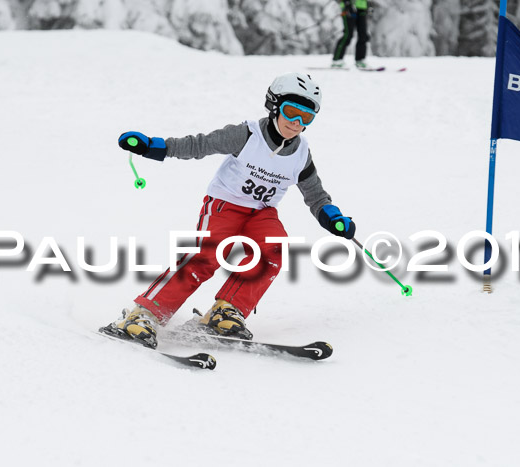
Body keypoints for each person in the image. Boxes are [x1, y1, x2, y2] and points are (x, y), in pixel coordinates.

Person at [102, 72, 356, 348]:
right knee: (205, 256)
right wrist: (155, 147)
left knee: (274, 249)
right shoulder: (247, 134)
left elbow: (315, 194)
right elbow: (200, 144)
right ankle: (144, 314)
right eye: (291, 112)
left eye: (306, 118)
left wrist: (331, 216)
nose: (296, 123)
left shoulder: (301, 153)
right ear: (273, 105)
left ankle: (226, 312)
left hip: (262, 212)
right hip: (225, 205)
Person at [331, 0, 369, 69]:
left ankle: (360, 60)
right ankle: (337, 60)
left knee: (363, 35)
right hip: (348, 7)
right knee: (348, 34)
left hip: (362, 7)